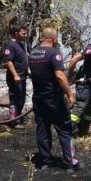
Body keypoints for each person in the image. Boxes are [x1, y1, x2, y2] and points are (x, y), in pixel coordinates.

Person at [28, 27, 80, 171]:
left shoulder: (33, 52)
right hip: (54, 99)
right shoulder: (54, 53)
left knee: (43, 128)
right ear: (54, 39)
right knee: (64, 128)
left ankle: (45, 161)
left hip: (38, 98)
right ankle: (71, 162)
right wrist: (70, 94)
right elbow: (59, 76)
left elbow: (32, 72)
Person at [3, 24, 29, 129]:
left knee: (21, 99)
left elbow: (22, 60)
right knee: (14, 98)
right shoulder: (10, 45)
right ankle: (13, 120)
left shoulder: (21, 44)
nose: (25, 35)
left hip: (23, 76)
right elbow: (9, 62)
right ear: (16, 33)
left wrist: (28, 70)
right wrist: (15, 75)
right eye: (23, 33)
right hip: (15, 77)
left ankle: (18, 117)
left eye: (26, 33)